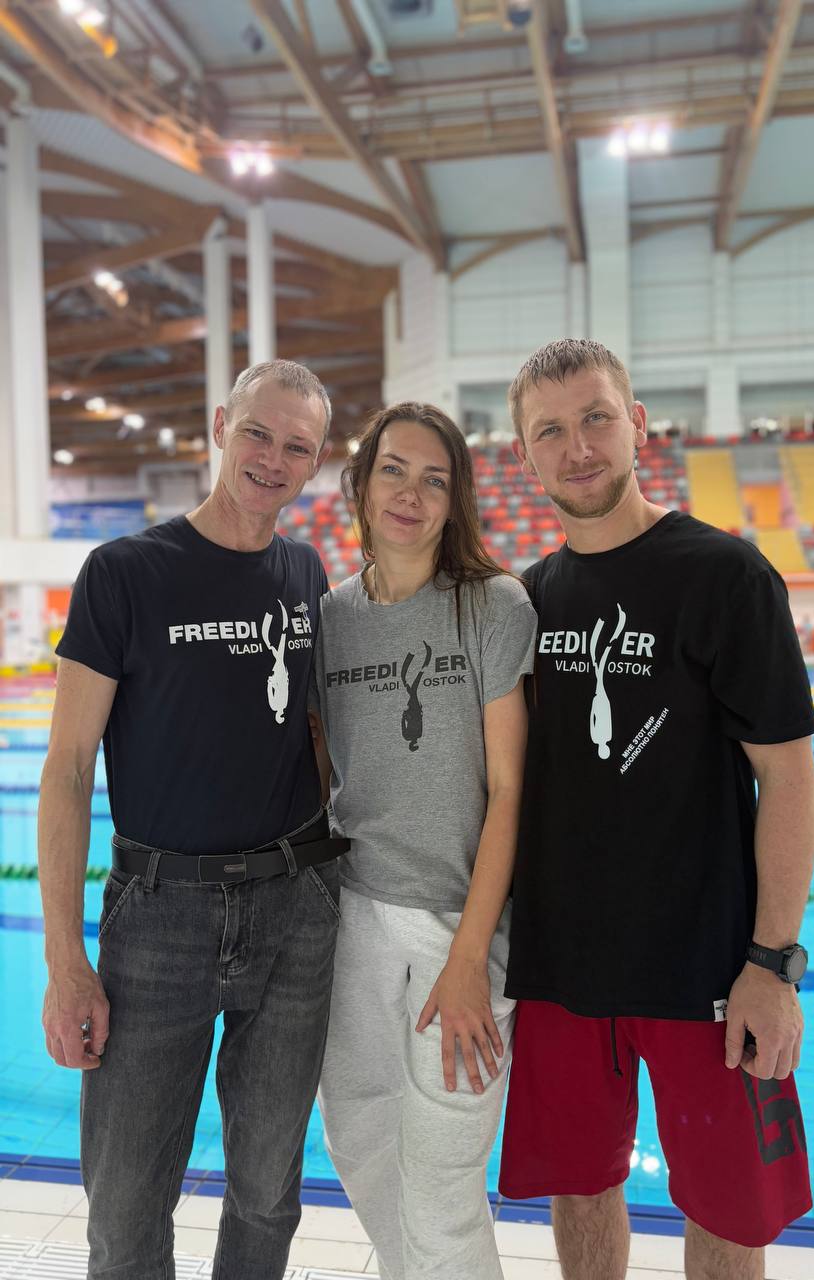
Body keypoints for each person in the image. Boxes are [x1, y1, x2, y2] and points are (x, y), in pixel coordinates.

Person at [497, 340, 814, 1280]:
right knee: (579, 1191)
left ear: (637, 424)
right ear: (524, 454)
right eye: (550, 431)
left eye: (596, 418)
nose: (578, 447)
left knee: (726, 1212)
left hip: (706, 970)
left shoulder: (726, 577)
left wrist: (773, 963)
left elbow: (789, 779)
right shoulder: (525, 601)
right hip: (562, 970)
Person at [38, 360, 346, 1280]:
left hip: (295, 909)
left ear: (316, 462)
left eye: (297, 446)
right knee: (126, 1204)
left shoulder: (306, 569)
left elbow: (319, 733)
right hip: (160, 918)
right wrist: (65, 961)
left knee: (268, 1193)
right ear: (220, 426)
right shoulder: (124, 574)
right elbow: (67, 770)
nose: (273, 459)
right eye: (258, 433)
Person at [313, 401, 536, 1280]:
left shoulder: (491, 605)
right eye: (394, 471)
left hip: (461, 927)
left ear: (455, 500)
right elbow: (325, 776)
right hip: (354, 922)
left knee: (444, 1185)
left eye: (433, 480)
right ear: (361, 485)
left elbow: (509, 790)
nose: (410, 494)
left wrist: (471, 958)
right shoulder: (329, 618)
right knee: (361, 1143)